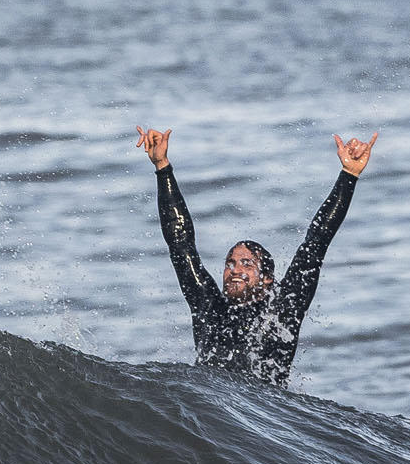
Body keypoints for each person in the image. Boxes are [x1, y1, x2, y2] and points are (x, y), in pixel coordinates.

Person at [133, 126, 377, 386]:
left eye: (246, 263)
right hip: (212, 413)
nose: (235, 270)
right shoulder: (209, 308)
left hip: (264, 415)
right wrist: (162, 167)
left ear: (267, 279)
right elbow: (181, 246)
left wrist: (348, 175)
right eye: (230, 264)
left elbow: (316, 242)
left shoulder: (284, 310)